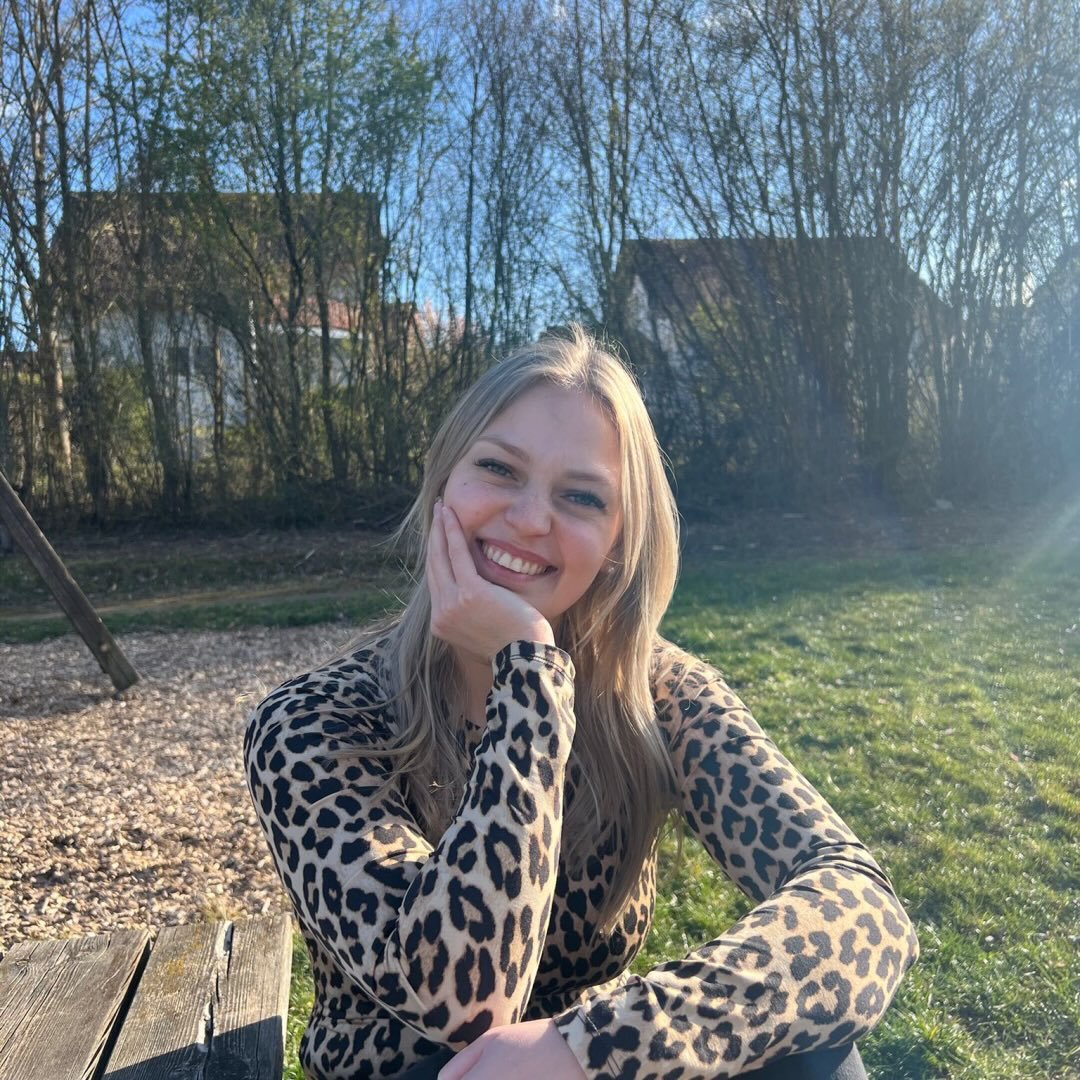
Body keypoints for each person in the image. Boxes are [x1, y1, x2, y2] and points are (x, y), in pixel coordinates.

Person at [244, 326, 919, 1080]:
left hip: (584, 1065)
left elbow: (863, 905)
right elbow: (458, 1001)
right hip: (412, 1070)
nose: (532, 519)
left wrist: (596, 1046)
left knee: (818, 1059)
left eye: (581, 497)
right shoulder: (313, 723)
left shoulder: (657, 694)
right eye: (498, 468)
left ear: (618, 543)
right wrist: (529, 673)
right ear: (442, 484)